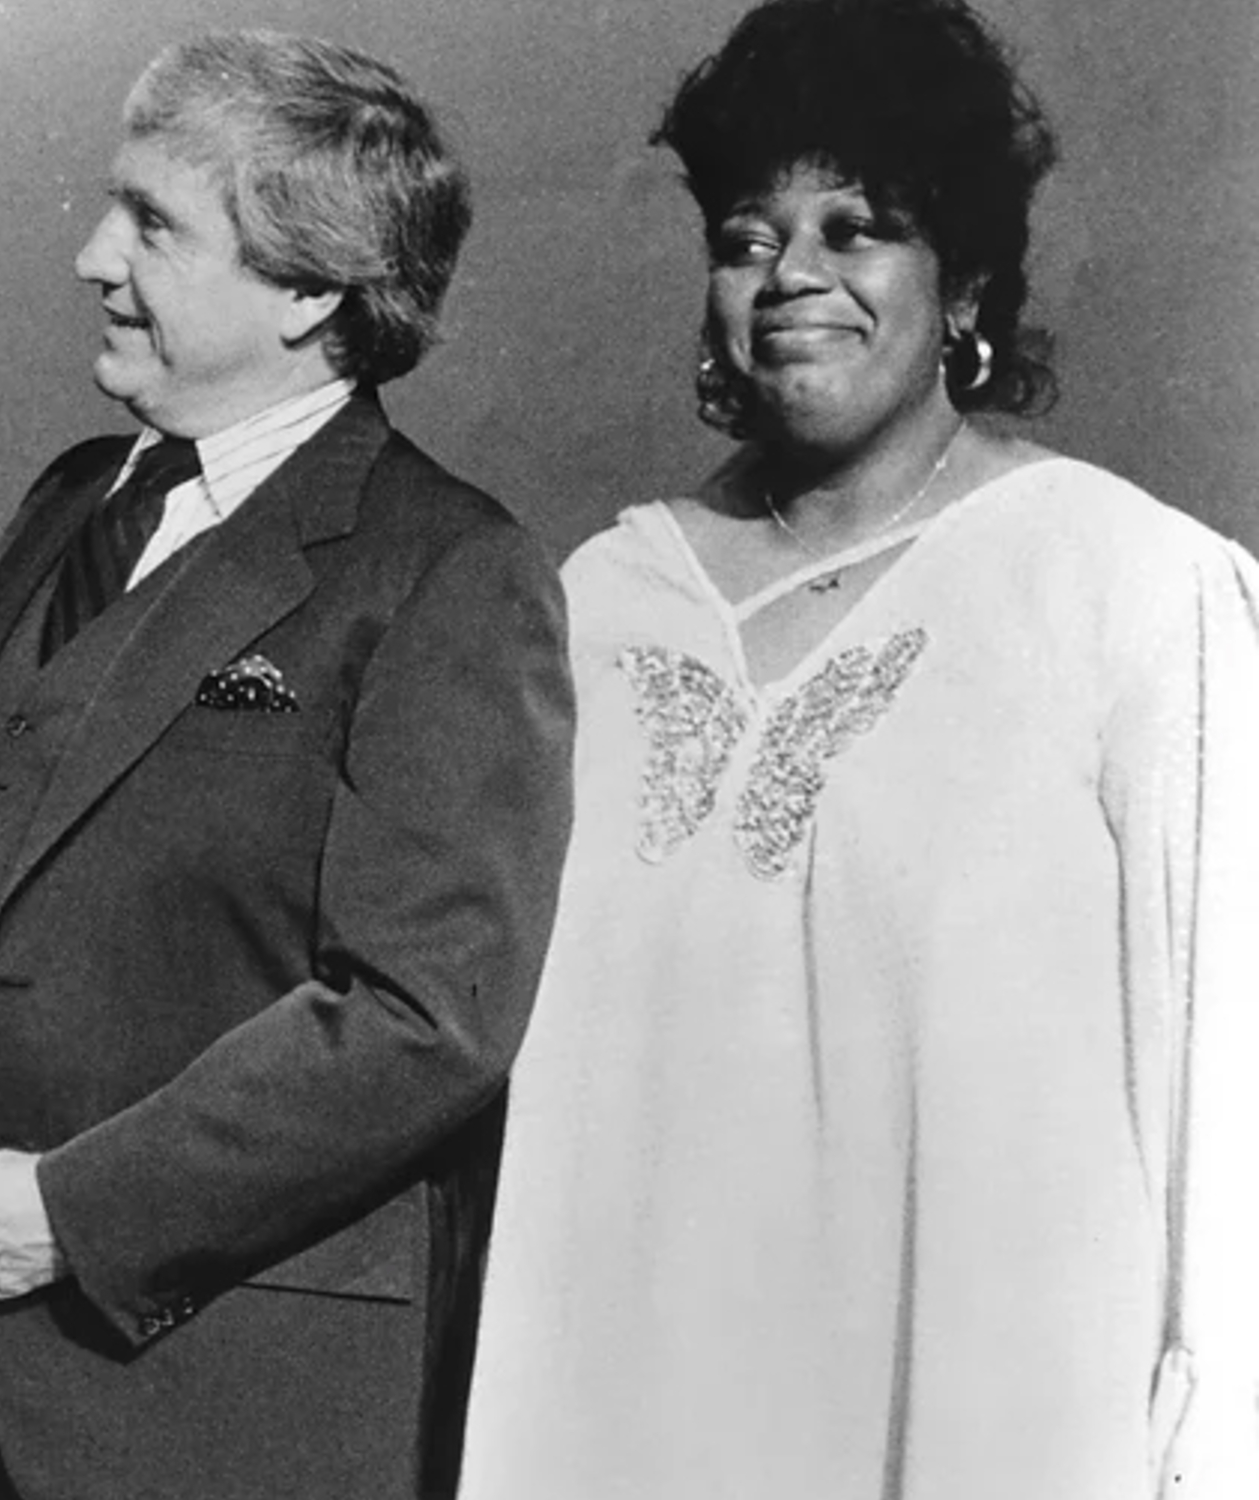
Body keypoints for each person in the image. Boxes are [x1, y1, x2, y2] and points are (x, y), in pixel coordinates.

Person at [0, 29, 572, 1500]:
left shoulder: (449, 568)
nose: (88, 254)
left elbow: (425, 1016)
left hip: (215, 1406)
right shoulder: (78, 493)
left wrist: (69, 1212)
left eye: (151, 222)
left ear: (313, 289)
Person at [455, 1, 1259, 1494]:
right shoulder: (598, 605)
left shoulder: (1127, 588)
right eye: (750, 236)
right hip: (631, 1416)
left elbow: (1231, 1093)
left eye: (859, 226)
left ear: (968, 282)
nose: (792, 276)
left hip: (979, 1421)